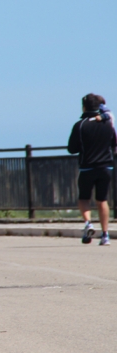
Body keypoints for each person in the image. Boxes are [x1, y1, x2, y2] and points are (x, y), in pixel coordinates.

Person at [68, 93, 116, 245]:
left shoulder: (80, 125)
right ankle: (105, 235)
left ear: (84, 107)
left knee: (84, 198)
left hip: (87, 167)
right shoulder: (107, 124)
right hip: (105, 166)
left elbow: (72, 148)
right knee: (102, 200)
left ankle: (88, 223)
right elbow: (113, 144)